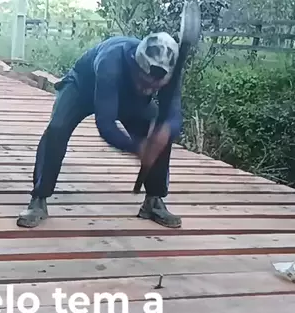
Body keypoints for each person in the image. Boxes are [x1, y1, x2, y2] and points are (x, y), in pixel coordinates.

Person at [16, 32, 184, 229]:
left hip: (130, 98)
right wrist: (138, 148)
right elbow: (106, 124)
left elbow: (174, 116)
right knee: (57, 129)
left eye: (154, 86)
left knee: (161, 136)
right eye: (144, 81)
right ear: (136, 65)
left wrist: (165, 133)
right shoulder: (110, 62)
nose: (147, 88)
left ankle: (153, 201)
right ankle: (39, 198)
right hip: (82, 88)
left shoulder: (170, 72)